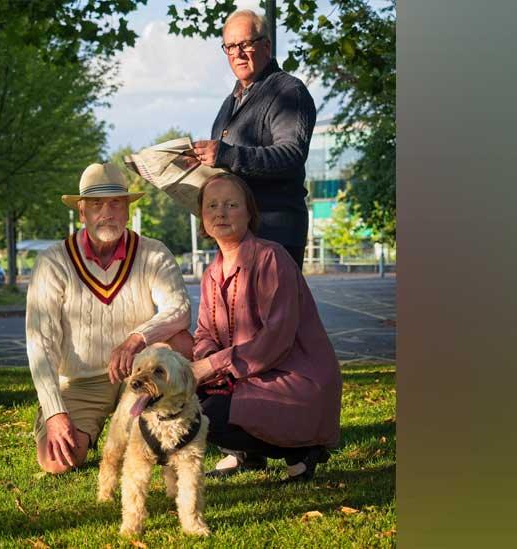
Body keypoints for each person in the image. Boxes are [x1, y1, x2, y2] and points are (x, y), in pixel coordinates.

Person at [25, 162, 193, 474]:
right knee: (57, 461)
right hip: (82, 380)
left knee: (181, 341)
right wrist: (54, 412)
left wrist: (135, 340)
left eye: (116, 203)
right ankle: (97, 427)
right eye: (97, 203)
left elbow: (180, 308)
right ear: (81, 211)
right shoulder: (53, 262)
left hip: (140, 372)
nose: (108, 212)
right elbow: (40, 345)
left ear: (127, 209)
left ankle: (175, 422)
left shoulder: (153, 253)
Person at [187, 173, 342, 482]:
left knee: (203, 416)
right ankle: (247, 454)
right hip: (244, 377)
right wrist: (205, 362)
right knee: (185, 403)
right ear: (202, 217)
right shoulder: (211, 272)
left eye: (232, 204)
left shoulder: (271, 257)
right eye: (212, 205)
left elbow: (276, 340)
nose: (221, 212)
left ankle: (301, 451)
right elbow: (204, 332)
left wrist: (212, 367)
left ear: (249, 212)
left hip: (292, 378)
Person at [192, 9, 317, 267]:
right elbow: (226, 166)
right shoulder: (231, 101)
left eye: (245, 44)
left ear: (267, 46)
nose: (237, 53)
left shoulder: (288, 91)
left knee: (273, 309)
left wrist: (225, 154)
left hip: (273, 236)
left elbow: (291, 154)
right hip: (235, 236)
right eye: (229, 47)